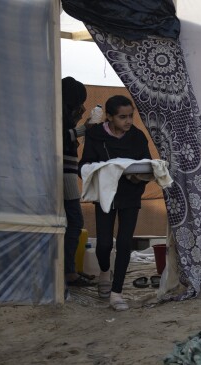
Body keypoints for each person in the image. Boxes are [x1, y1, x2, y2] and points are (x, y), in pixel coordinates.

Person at [79, 95, 152, 311]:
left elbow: (148, 164)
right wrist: (106, 171)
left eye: (131, 116)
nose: (128, 121)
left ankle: (117, 293)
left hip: (131, 194)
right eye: (122, 117)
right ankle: (104, 272)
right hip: (105, 195)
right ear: (109, 117)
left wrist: (138, 176)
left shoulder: (137, 137)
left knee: (124, 243)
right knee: (103, 244)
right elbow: (85, 165)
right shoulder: (95, 135)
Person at [61, 77, 94, 288]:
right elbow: (61, 138)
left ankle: (68, 270)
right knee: (74, 222)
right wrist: (84, 129)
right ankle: (69, 273)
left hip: (67, 173)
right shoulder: (57, 115)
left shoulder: (63, 114)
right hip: (64, 175)